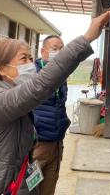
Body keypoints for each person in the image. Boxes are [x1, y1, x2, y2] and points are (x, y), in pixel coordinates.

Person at [0, 9, 110, 195]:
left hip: (21, 181)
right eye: (24, 59)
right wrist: (86, 38)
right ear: (2, 70)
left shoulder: (14, 98)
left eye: (31, 58)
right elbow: (40, 85)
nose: (30, 64)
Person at [32, 35, 68, 195]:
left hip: (56, 144)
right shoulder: (33, 74)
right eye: (54, 48)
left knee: (48, 188)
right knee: (30, 188)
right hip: (38, 145)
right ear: (42, 51)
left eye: (61, 49)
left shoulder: (61, 75)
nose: (58, 52)